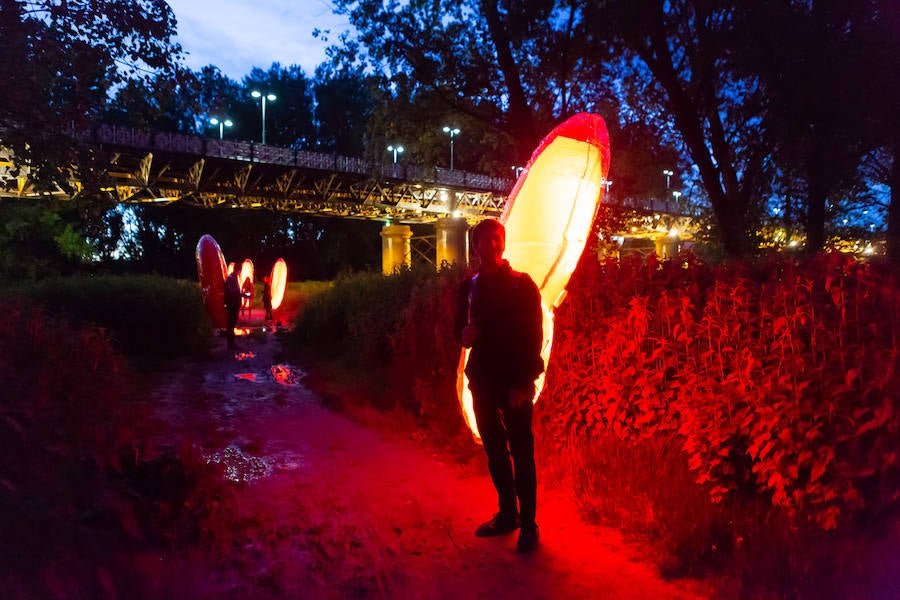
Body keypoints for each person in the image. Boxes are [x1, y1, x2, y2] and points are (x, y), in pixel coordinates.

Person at [454, 218, 544, 554]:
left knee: (522, 453)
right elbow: (457, 333)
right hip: (482, 381)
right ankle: (508, 514)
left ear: (502, 244)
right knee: (494, 451)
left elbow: (534, 337)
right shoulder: (469, 288)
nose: (491, 245)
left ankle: (529, 524)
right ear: (475, 246)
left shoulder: (523, 285)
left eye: (497, 239)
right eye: (484, 240)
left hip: (515, 382)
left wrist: (524, 383)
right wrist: (464, 336)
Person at [224, 271, 242, 349]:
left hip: (232, 303)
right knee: (231, 323)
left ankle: (231, 343)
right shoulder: (231, 278)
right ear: (239, 270)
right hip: (232, 304)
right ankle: (231, 344)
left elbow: (231, 291)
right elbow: (232, 292)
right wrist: (241, 294)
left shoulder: (231, 278)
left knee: (231, 323)